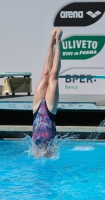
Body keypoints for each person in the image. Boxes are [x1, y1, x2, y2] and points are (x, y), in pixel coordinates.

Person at [32, 28, 63, 157]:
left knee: (45, 74)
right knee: (53, 74)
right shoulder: (52, 149)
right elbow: (55, 154)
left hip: (37, 111)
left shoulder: (35, 151)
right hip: (50, 112)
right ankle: (58, 40)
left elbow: (34, 153)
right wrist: (49, 155)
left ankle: (51, 42)